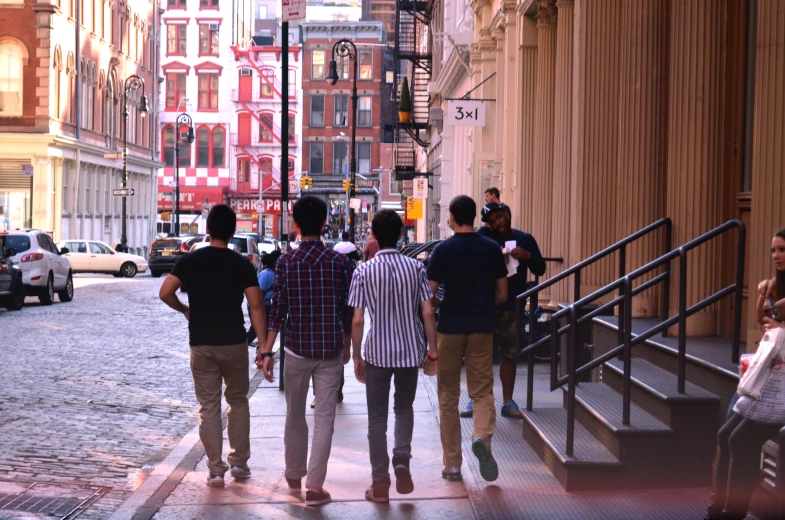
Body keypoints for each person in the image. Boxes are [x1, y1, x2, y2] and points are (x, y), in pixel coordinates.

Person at [159, 205, 266, 488]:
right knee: (238, 401)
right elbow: (256, 305)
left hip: (202, 342)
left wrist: (184, 309)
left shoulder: (191, 260)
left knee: (208, 407)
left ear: (207, 229)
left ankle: (216, 470)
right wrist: (263, 344)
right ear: (233, 232)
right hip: (233, 341)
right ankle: (240, 463)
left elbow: (165, 292)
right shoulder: (242, 264)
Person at [256, 195, 353, 508]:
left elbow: (278, 310)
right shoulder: (340, 263)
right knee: (324, 418)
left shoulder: (286, 262)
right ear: (325, 223)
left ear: (295, 224)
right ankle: (314, 486)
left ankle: (294, 474)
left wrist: (267, 350)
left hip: (296, 349)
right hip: (329, 349)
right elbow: (346, 310)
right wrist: (348, 344)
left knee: (294, 414)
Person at [348, 210, 439, 503]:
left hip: (377, 354)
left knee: (376, 421)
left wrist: (357, 355)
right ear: (400, 235)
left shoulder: (363, 271)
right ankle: (402, 457)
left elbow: (358, 320)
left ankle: (380, 483)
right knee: (404, 408)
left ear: (373, 235)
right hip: (410, 352)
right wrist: (432, 351)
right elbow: (427, 312)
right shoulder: (415, 269)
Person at [426, 195, 508, 483]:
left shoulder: (443, 250)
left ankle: (452, 465)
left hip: (450, 327)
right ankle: (482, 437)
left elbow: (430, 293)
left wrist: (438, 305)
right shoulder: (490, 248)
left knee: (448, 394)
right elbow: (503, 294)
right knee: (482, 391)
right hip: (482, 326)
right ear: (474, 217)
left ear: (451, 216)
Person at [706, 228, 785, 520]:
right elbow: (761, 319)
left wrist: (778, 322)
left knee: (739, 440)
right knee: (726, 433)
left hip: (781, 387)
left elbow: (775, 319)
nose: (776, 255)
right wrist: (766, 291)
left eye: (782, 249)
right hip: (766, 377)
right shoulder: (778, 285)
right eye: (774, 250)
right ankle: (717, 509)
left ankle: (733, 513)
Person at [458, 202, 545, 418]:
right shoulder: (484, 238)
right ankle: (476, 399)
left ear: (507, 214)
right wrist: (494, 257)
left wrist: (527, 256)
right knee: (480, 355)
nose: (498, 223)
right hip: (486, 304)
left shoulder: (525, 239)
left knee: (510, 354)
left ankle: (508, 401)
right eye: (492, 220)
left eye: (500, 217)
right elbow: (472, 265)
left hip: (512, 306)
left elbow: (540, 268)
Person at [247, 250, 281, 346]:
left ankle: (261, 352)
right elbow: (259, 294)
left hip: (268, 307)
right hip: (263, 306)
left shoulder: (274, 273)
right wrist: (259, 311)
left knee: (264, 331)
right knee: (257, 329)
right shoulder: (266, 274)